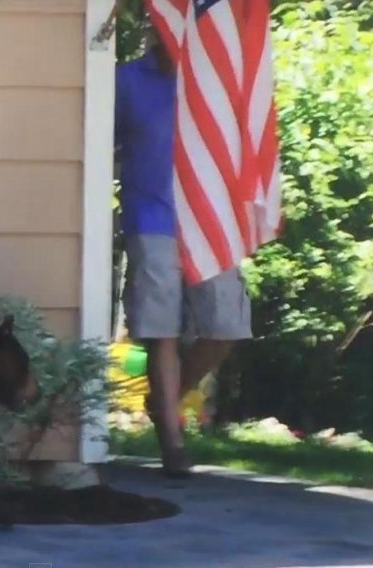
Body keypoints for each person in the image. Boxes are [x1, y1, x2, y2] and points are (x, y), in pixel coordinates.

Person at [114, 28, 253, 478]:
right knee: (162, 330)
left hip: (208, 220)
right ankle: (172, 444)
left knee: (226, 324)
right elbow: (100, 146)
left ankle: (164, 400)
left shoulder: (214, 83)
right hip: (151, 218)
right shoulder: (127, 82)